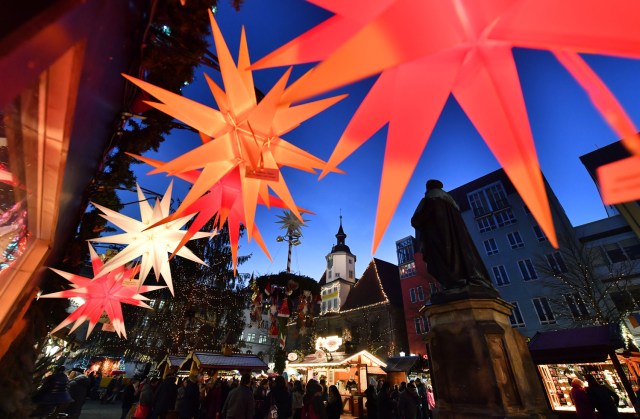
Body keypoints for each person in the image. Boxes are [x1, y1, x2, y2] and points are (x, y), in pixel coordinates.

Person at [411, 179, 496, 291]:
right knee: (460, 258)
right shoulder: (450, 202)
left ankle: (455, 283)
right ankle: (464, 279)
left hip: (439, 238)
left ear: (428, 188)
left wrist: (416, 219)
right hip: (458, 240)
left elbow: (418, 220)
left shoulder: (430, 199)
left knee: (443, 263)